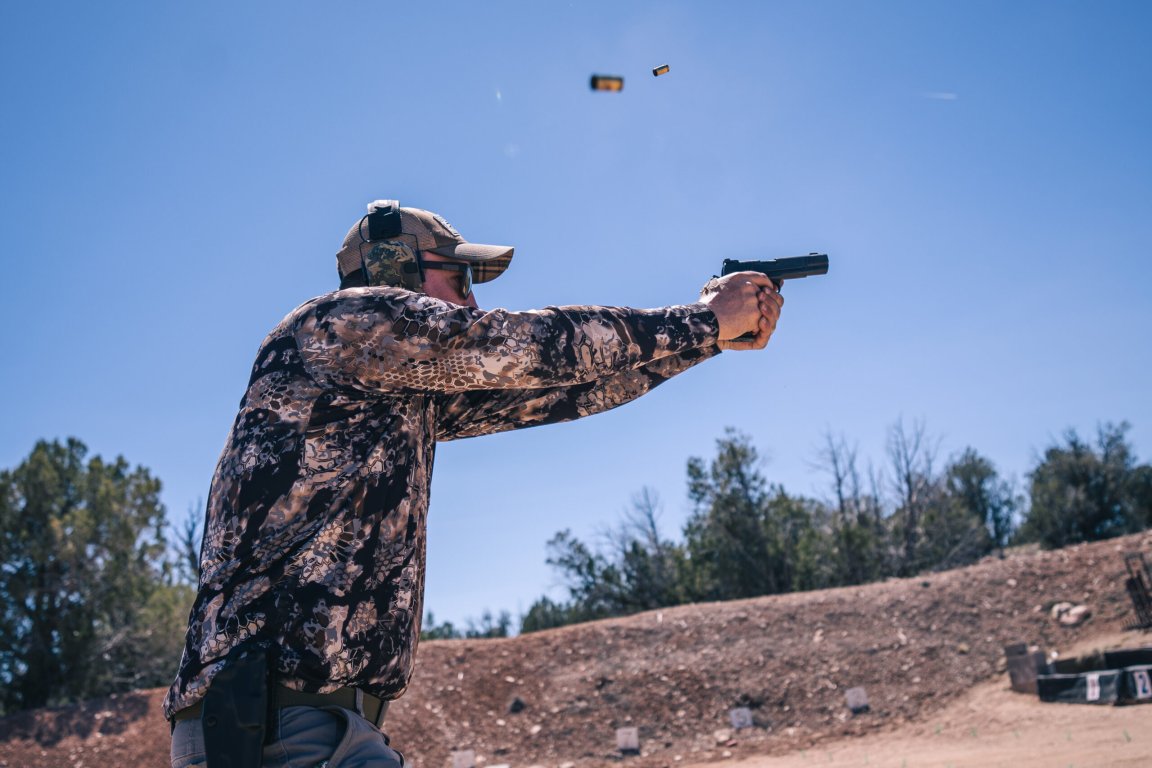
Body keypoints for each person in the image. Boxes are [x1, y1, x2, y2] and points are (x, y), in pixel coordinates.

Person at [165, 200, 783, 768]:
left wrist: (713, 336)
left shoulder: (395, 392)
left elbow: (562, 390)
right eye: (457, 279)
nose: (471, 303)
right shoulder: (340, 324)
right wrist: (703, 319)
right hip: (272, 727)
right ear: (395, 273)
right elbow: (532, 346)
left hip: (320, 728)